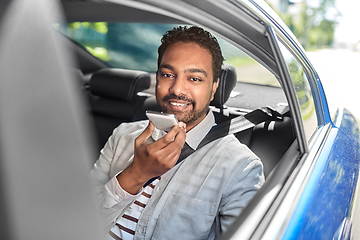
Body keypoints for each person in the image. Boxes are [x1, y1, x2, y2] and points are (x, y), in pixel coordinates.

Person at [90, 26, 265, 240]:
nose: (177, 89)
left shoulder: (240, 167)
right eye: (168, 74)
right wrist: (137, 173)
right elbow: (75, 220)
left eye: (194, 79)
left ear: (214, 88)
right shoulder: (123, 135)